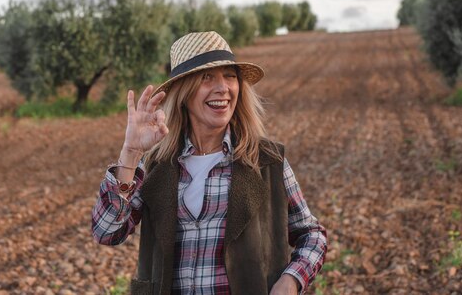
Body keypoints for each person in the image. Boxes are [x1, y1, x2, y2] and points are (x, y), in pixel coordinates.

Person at [92, 31, 327, 294]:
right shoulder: (157, 165)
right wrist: (131, 152)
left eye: (229, 76)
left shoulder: (267, 161)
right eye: (207, 77)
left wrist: (291, 281)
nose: (223, 87)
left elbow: (312, 235)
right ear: (184, 92)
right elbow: (107, 232)